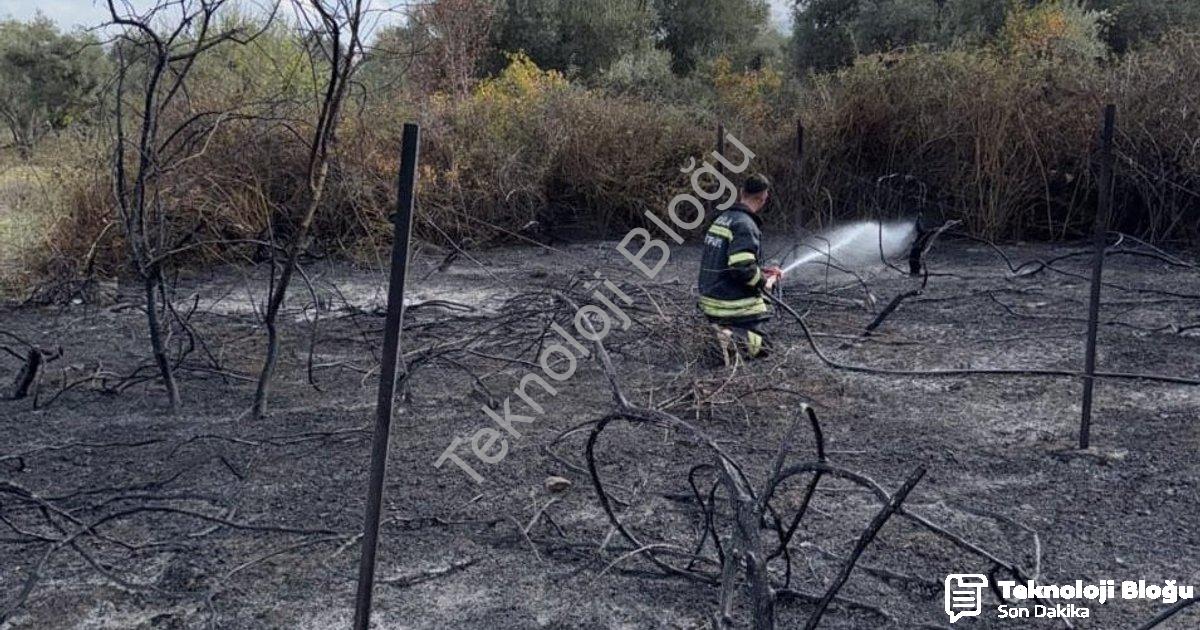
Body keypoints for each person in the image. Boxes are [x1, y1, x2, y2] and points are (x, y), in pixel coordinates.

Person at [697, 174, 782, 363]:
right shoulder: (745, 225)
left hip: (711, 300)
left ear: (741, 192)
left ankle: (721, 332)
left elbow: (728, 261)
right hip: (730, 304)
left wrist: (762, 270)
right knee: (764, 346)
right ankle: (729, 338)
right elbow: (741, 268)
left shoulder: (723, 219)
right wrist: (765, 282)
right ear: (764, 197)